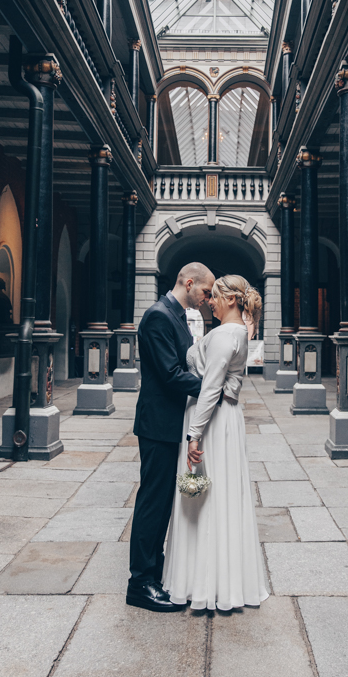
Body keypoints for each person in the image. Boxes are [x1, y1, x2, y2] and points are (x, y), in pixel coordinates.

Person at [162, 274, 269, 611]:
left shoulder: (226, 334)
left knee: (203, 497)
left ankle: (204, 583)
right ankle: (219, 579)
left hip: (213, 422)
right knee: (215, 495)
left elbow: (210, 388)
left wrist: (194, 433)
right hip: (224, 419)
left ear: (232, 300)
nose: (211, 301)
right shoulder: (237, 332)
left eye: (216, 297)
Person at [126, 262, 215, 612]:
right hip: (158, 424)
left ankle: (155, 569)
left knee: (163, 500)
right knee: (153, 500)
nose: (207, 299)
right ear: (189, 282)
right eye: (205, 292)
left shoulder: (177, 315)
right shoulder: (158, 316)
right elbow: (171, 374)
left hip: (169, 422)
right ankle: (140, 583)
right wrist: (214, 388)